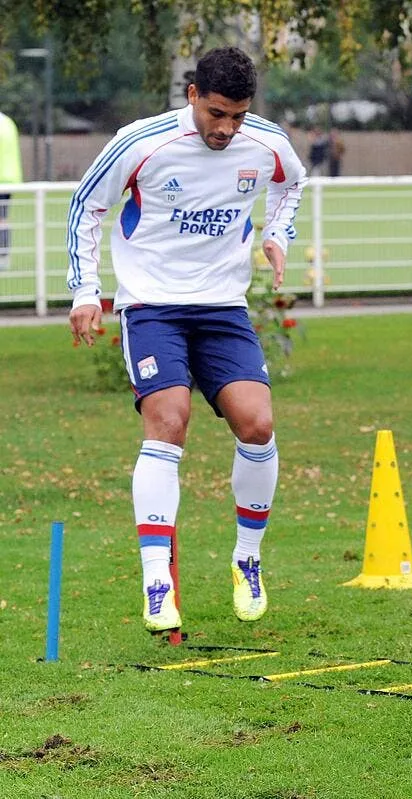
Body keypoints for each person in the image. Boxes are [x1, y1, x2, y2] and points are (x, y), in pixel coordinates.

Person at [66, 47, 307, 632]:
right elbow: (86, 206)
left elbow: (293, 185)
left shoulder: (267, 143)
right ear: (193, 94)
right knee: (168, 420)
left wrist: (278, 234)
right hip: (152, 306)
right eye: (217, 113)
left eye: (238, 117)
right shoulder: (141, 141)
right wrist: (83, 292)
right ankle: (156, 578)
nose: (226, 129)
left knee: (259, 424)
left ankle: (246, 559)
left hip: (222, 307)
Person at [0, 109, 22, 269]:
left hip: (2, 178)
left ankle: (2, 257)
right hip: (10, 177)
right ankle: (3, 255)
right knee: (2, 219)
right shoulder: (8, 122)